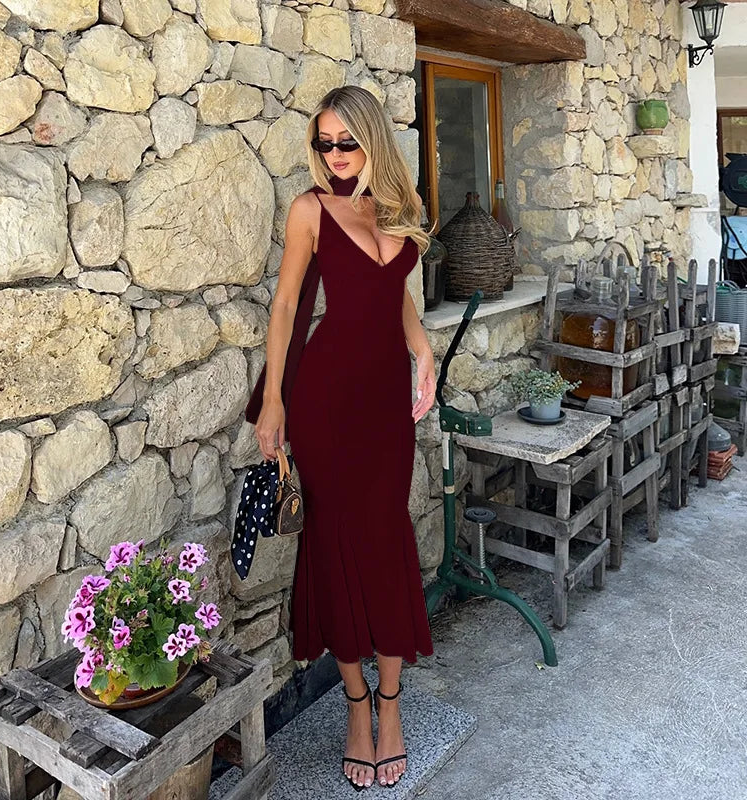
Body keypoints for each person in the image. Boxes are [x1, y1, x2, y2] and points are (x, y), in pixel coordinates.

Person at [249, 85, 437, 790]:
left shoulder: (397, 206)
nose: (334, 157)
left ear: (373, 142)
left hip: (386, 406)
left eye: (346, 143)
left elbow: (396, 293)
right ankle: (357, 708)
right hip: (325, 402)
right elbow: (289, 302)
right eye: (324, 144)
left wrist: (422, 354)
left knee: (386, 541)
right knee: (335, 548)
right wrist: (273, 405)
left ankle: (391, 707)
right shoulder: (311, 209)